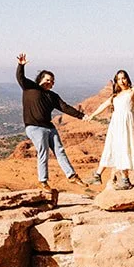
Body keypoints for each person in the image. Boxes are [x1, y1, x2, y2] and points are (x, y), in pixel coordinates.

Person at [16, 53, 86, 186]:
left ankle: (71, 175)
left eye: (52, 81)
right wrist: (21, 65)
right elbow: (20, 78)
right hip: (34, 127)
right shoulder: (30, 87)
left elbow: (65, 107)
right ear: (41, 79)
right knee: (43, 152)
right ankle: (43, 181)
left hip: (49, 127)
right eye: (48, 80)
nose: (50, 82)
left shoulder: (53, 96)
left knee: (59, 151)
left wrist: (81, 116)